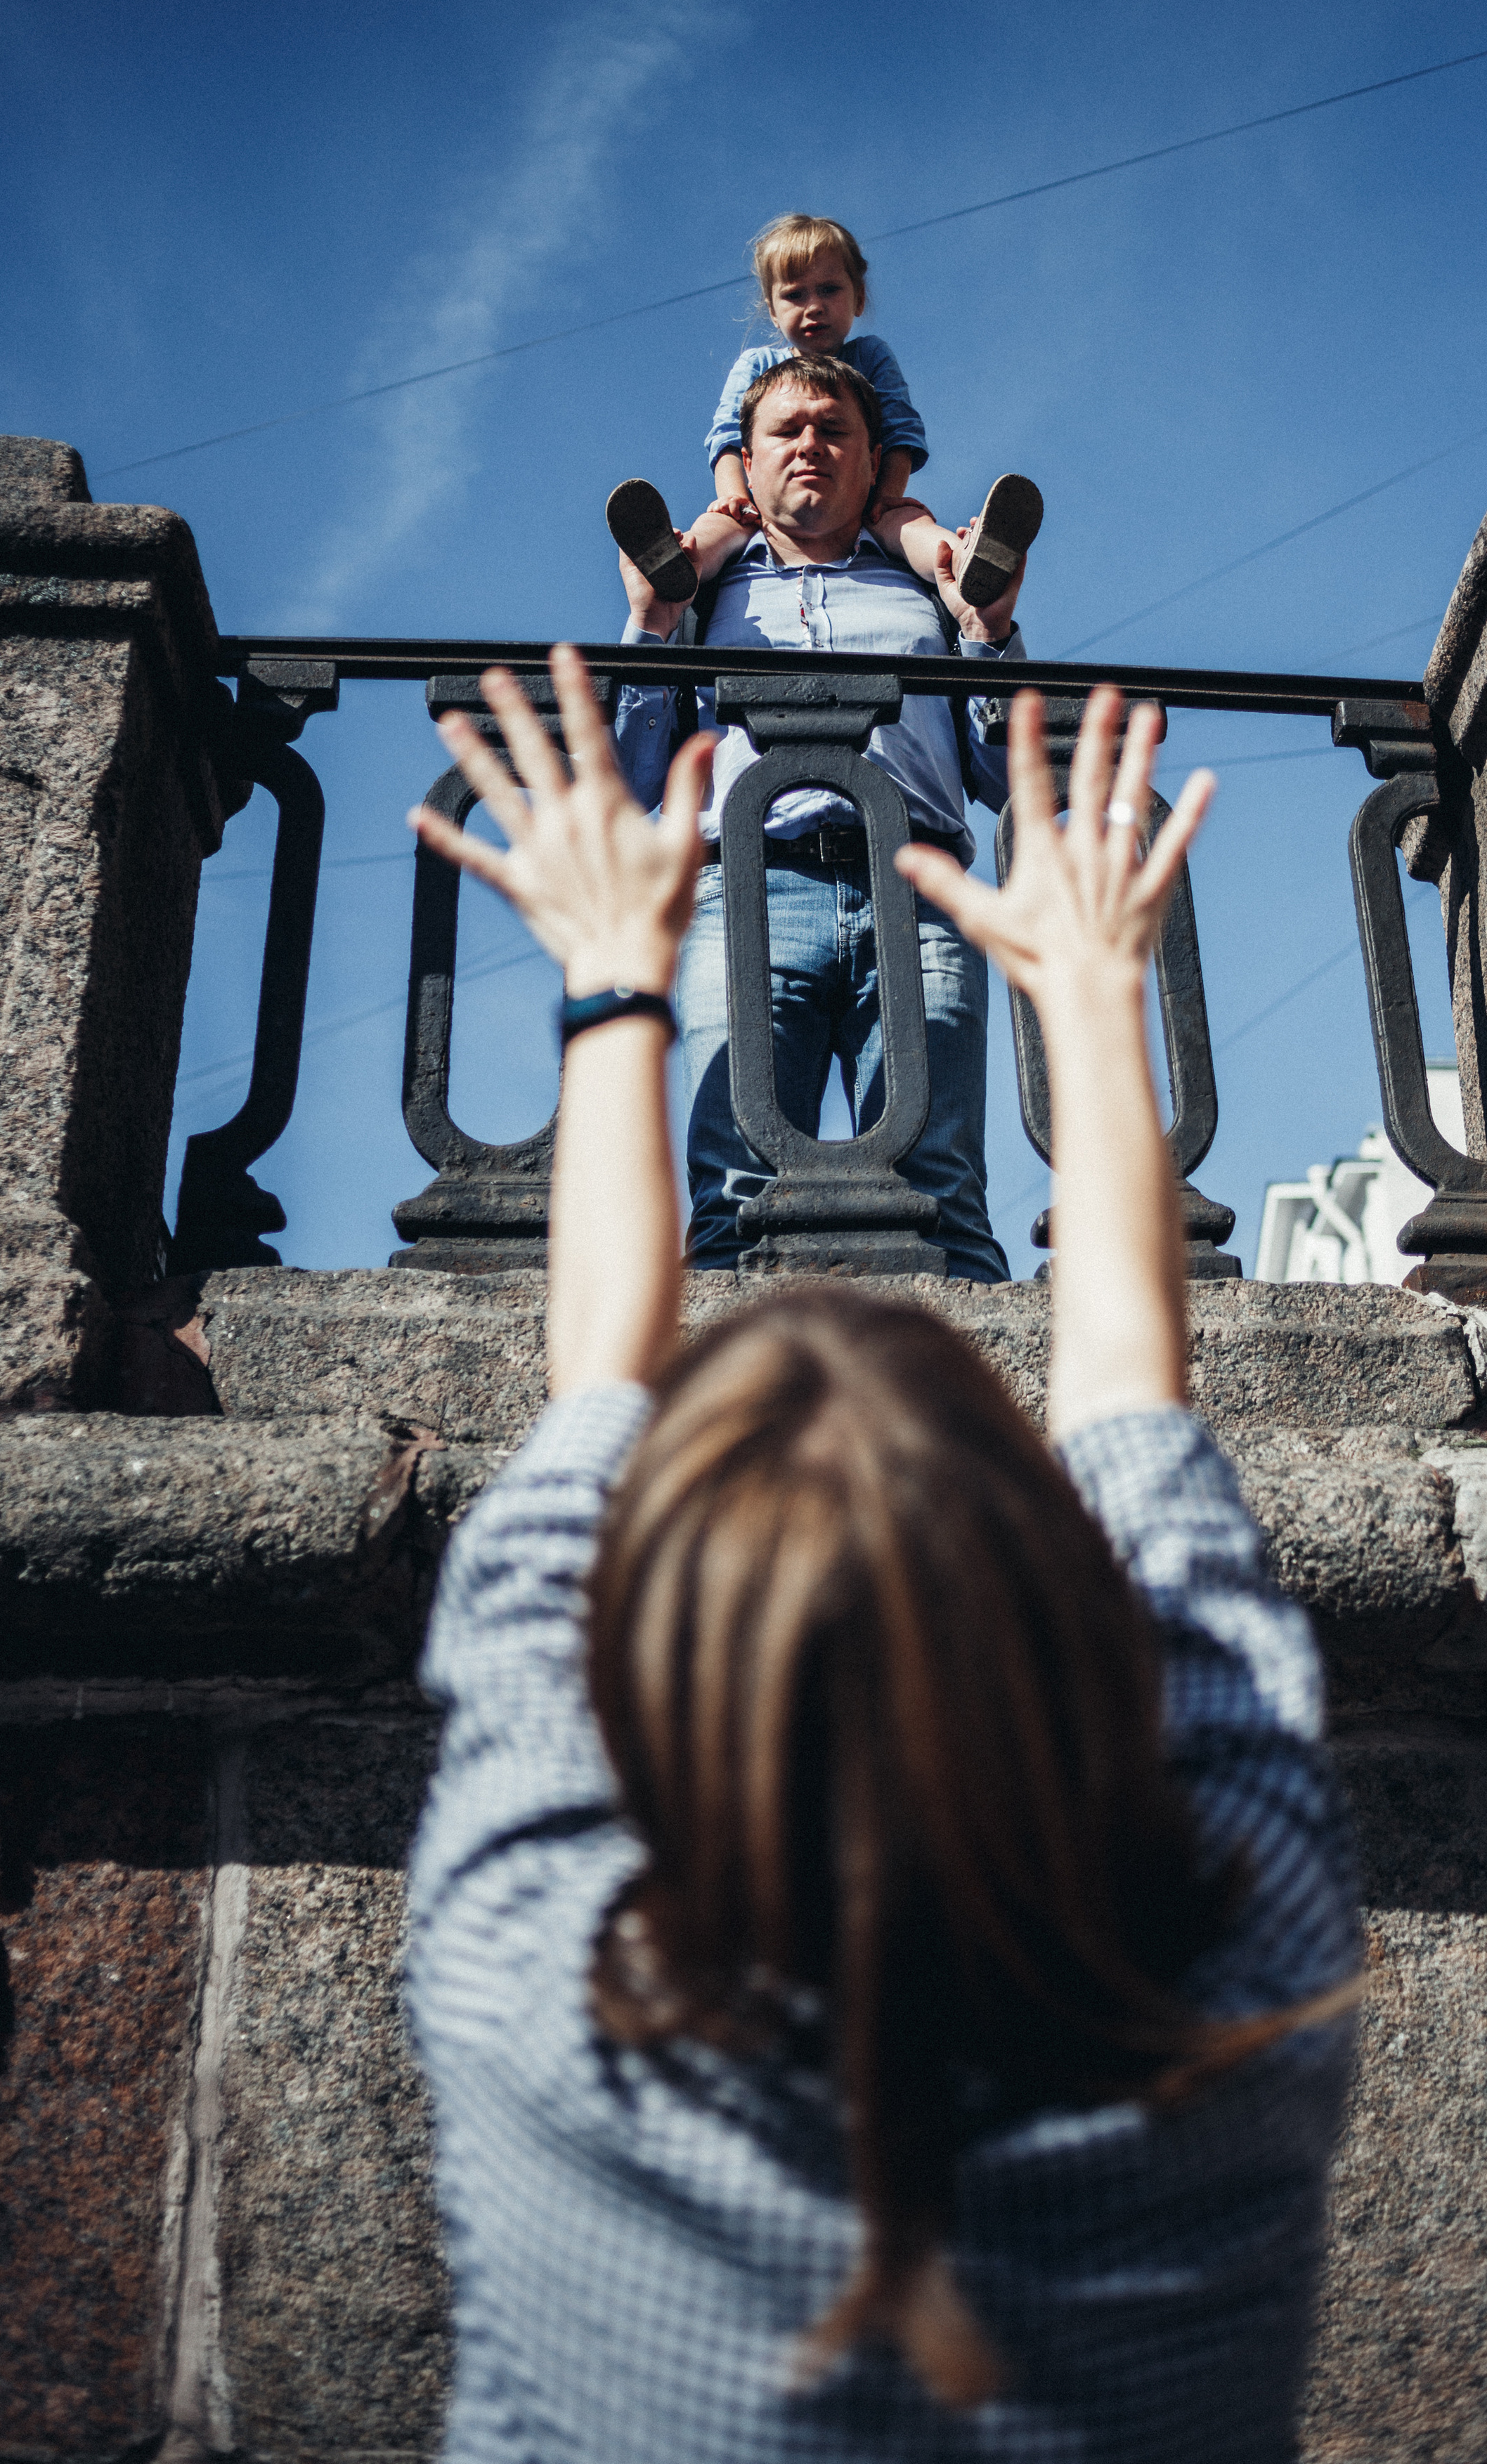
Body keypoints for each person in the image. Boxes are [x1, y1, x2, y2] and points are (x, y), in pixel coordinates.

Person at [405, 647, 1364, 2464]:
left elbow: (607, 1359)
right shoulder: (1253, 1978)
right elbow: (1135, 1414)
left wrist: (619, 985)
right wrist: (1093, 1004)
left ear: (644, 1640)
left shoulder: (527, 1968)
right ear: (1057, 1602)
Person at [613, 351, 1023, 1282]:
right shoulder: (703, 590)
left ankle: (975, 1415)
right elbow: (630, 776)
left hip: (919, 890)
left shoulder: (933, 584)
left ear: (874, 462)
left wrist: (990, 635)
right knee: (733, 1189)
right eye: (787, 431)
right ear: (745, 470)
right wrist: (649, 626)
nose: (811, 446)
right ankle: (724, 1419)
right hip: (749, 892)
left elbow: (1003, 775)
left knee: (943, 1183)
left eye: (834, 430)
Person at [605, 210, 1044, 613]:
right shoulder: (758, 365)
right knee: (720, 526)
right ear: (773, 313)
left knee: (910, 525)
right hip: (771, 507)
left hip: (868, 499)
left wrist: (888, 497)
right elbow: (727, 436)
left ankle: (969, 563)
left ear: (858, 298)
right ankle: (677, 564)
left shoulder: (870, 357)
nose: (814, 306)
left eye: (830, 289)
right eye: (794, 295)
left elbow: (901, 430)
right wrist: (734, 496)